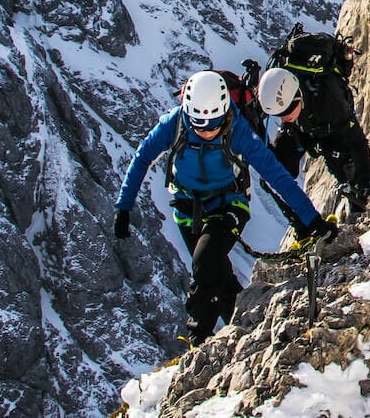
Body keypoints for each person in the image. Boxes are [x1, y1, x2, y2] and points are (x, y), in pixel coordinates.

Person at [113, 70, 337, 346]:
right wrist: (123, 207)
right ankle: (246, 325)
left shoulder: (237, 128)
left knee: (204, 262)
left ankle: (197, 336)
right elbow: (142, 157)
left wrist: (312, 220)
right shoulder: (175, 123)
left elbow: (275, 174)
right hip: (187, 210)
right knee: (218, 275)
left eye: (213, 126)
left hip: (229, 205)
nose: (207, 132)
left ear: (224, 115)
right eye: (200, 126)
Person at [257, 66, 370, 213]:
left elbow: (357, 141)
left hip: (330, 127)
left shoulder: (330, 101)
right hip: (304, 129)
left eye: (286, 112)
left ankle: (357, 201)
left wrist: (366, 181)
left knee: (344, 161)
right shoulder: (289, 110)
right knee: (276, 168)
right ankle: (303, 220)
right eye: (280, 114)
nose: (283, 118)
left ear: (297, 97)